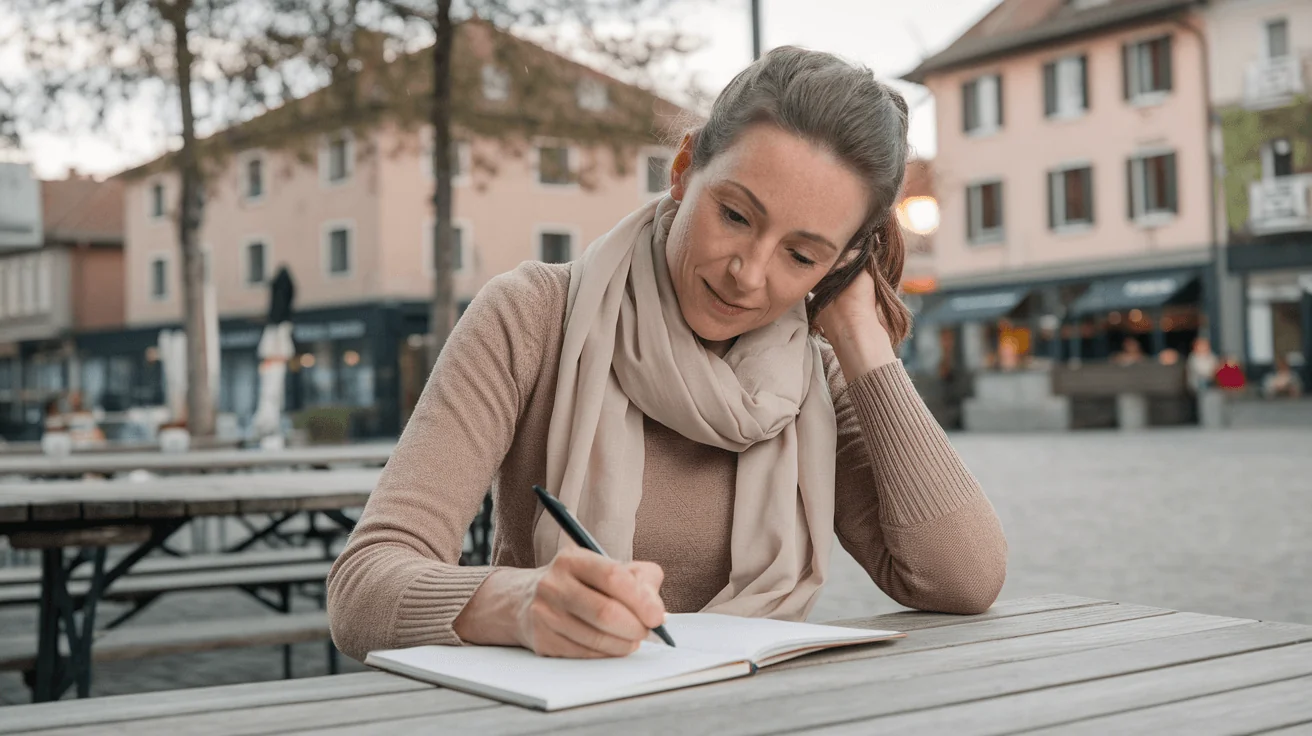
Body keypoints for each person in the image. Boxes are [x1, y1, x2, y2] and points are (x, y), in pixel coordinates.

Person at [327, 47, 1008, 662]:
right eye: (734, 216)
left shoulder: (815, 380)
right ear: (683, 171)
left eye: (801, 255)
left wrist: (860, 336)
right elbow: (362, 586)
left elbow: (964, 579)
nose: (748, 274)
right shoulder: (532, 316)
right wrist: (519, 603)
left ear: (839, 264)